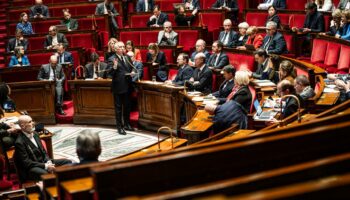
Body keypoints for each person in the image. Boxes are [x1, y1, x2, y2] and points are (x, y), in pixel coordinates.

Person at [14, 115, 72, 181]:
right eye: (30, 122)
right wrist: (45, 166)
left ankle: (64, 181)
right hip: (33, 168)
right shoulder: (19, 142)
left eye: (32, 121)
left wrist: (48, 161)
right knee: (47, 174)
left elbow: (43, 151)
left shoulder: (35, 134)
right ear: (22, 126)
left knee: (68, 162)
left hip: (44, 162)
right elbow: (27, 163)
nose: (33, 123)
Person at [108, 41, 136, 135]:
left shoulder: (127, 57)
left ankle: (127, 124)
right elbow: (109, 74)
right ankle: (120, 127)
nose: (123, 48)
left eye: (123, 46)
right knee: (119, 108)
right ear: (115, 49)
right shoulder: (112, 59)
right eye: (120, 47)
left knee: (127, 107)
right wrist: (115, 67)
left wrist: (132, 72)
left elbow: (131, 68)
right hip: (118, 87)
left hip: (128, 86)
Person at [0, 82, 19, 150]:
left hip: (3, 130)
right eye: (8, 88)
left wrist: (7, 125)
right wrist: (8, 131)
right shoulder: (7, 100)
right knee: (8, 140)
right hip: (2, 136)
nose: (10, 89)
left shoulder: (7, 99)